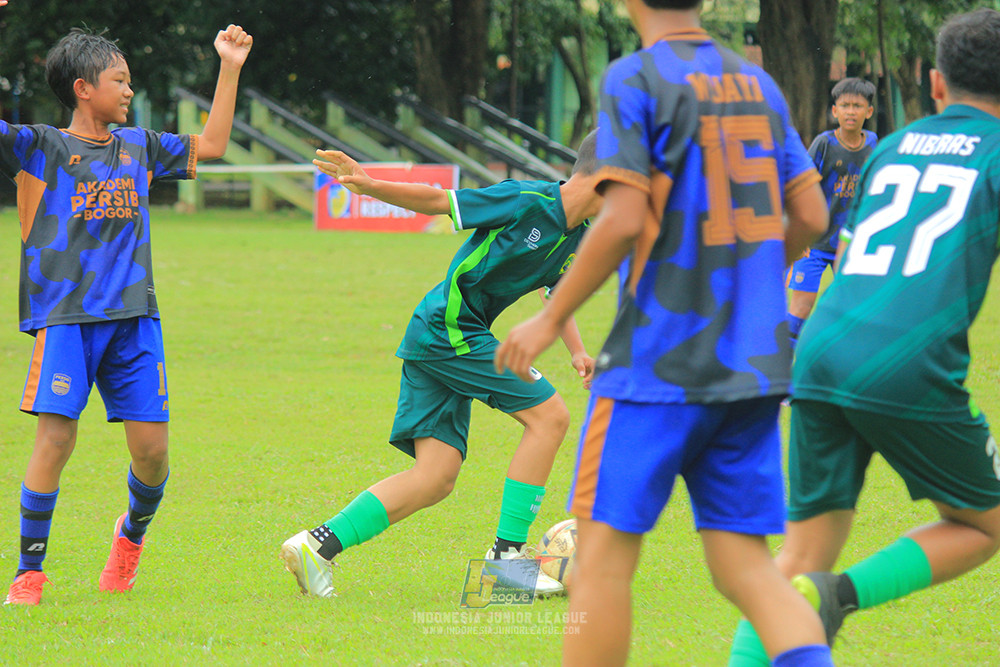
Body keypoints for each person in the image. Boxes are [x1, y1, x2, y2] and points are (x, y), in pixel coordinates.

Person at [494, 1, 834, 665]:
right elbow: (813, 212)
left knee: (601, 569)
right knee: (746, 569)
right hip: (753, 366)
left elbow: (620, 219)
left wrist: (550, 315)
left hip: (655, 365)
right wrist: (743, 280)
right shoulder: (758, 84)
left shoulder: (635, 77)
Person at [728, 7, 1000, 664]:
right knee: (987, 523)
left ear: (936, 85)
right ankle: (840, 594)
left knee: (796, 554)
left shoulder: (891, 148)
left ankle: (808, 598)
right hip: (906, 362)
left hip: (820, 349)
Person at [279, 135, 601, 599]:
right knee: (550, 416)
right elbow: (439, 201)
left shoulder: (580, 234)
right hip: (449, 329)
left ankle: (316, 546)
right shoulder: (526, 199)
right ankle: (506, 560)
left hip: (441, 335)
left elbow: (556, 292)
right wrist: (370, 186)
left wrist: (576, 350)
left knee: (435, 478)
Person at [1, 16, 253, 606]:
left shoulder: (138, 147)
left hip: (136, 321)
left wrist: (229, 69)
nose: (130, 91)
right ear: (83, 87)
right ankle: (28, 573)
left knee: (154, 454)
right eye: (120, 80)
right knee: (55, 441)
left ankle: (129, 539)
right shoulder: (36, 145)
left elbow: (211, 145)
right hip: (65, 319)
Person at [786, 77, 877, 348]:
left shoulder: (873, 144)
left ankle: (846, 368)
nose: (851, 111)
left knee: (855, 309)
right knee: (802, 307)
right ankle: (782, 369)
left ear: (869, 112)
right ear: (834, 110)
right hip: (813, 242)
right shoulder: (824, 144)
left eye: (858, 106)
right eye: (845, 105)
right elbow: (800, 186)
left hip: (849, 244)